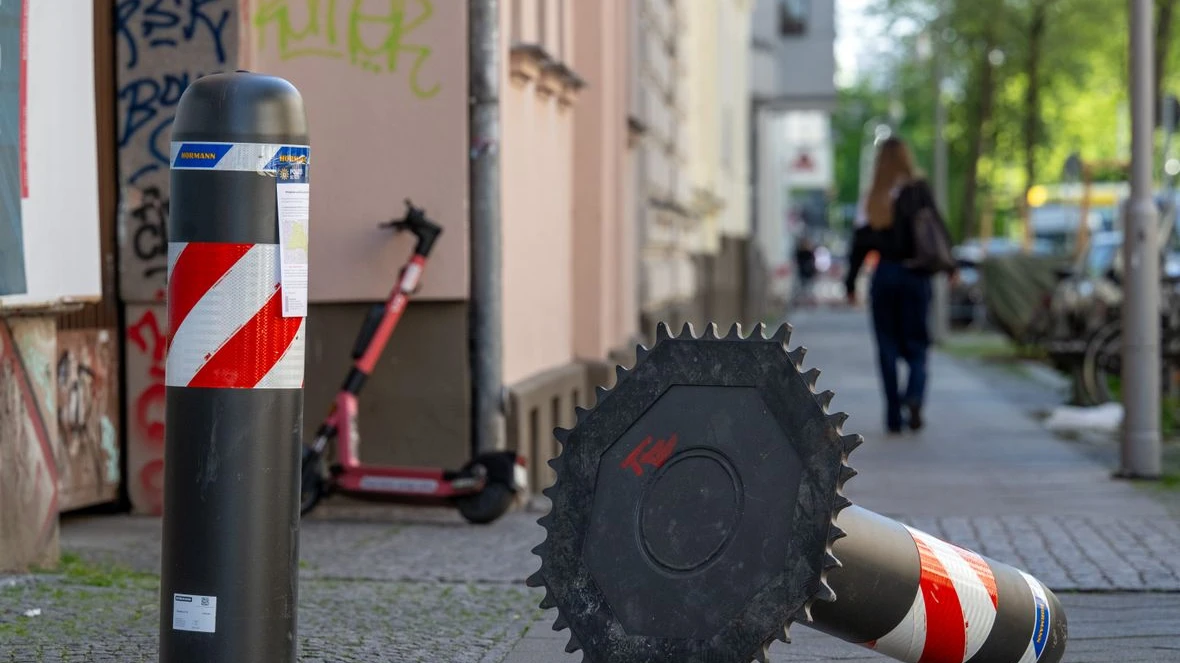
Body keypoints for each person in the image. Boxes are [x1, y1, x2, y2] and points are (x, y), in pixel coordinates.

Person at [844, 137, 953, 434]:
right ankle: (914, 396)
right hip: (916, 276)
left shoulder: (873, 197)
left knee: (887, 346)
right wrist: (950, 267)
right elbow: (938, 229)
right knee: (918, 345)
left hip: (885, 275)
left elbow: (860, 245)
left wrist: (851, 283)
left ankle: (893, 416)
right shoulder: (919, 191)